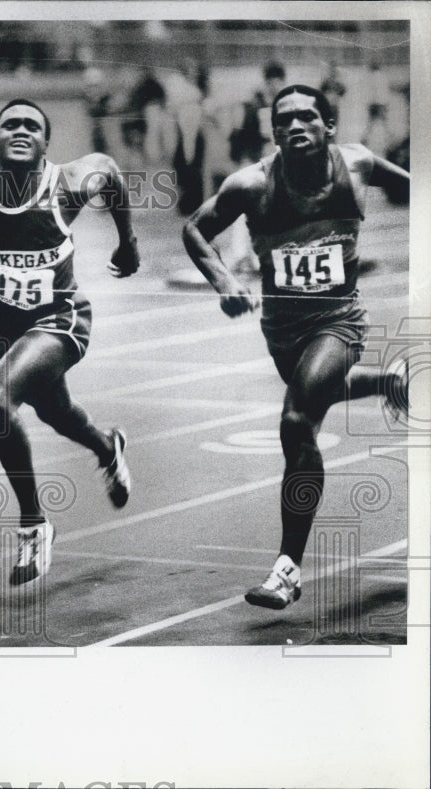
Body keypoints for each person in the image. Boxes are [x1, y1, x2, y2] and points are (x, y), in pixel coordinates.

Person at [182, 84, 410, 610]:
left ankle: (286, 570)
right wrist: (223, 282)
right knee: (312, 390)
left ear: (329, 126)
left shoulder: (356, 165)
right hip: (283, 331)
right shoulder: (251, 185)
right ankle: (385, 380)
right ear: (274, 132)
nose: (295, 126)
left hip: (340, 320)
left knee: (296, 421)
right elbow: (195, 229)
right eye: (283, 121)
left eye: (307, 117)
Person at [0, 99, 140, 586]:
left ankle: (33, 525)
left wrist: (128, 242)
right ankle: (107, 446)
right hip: (6, 328)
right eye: (11, 124)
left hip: (61, 320)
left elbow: (109, 170)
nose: (21, 130)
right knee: (55, 413)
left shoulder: (67, 184)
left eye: (32, 126)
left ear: (46, 144)